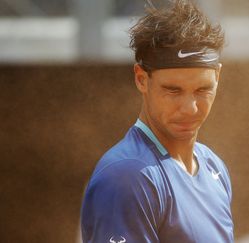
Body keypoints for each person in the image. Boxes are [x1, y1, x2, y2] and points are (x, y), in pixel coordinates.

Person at [80, 1, 233, 242]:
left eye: (203, 89)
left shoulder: (214, 167)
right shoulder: (127, 177)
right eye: (173, 90)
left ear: (218, 78)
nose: (190, 108)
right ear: (141, 79)